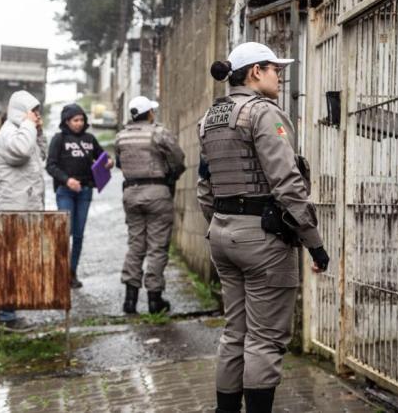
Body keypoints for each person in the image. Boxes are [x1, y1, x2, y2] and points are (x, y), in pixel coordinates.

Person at [197, 42, 330, 413]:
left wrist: (222, 226)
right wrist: (315, 244)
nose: (279, 74)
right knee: (265, 339)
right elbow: (287, 182)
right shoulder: (263, 113)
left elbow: (204, 187)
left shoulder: (211, 118)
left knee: (234, 334)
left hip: (222, 234)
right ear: (255, 71)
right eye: (274, 68)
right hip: (262, 240)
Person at [114, 96, 186, 315]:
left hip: (130, 193)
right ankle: (154, 300)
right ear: (150, 114)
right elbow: (178, 158)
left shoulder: (121, 137)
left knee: (136, 244)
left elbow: (119, 163)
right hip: (157, 192)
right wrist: (170, 176)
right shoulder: (158, 133)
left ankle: (130, 300)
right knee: (157, 247)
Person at [0, 90, 46, 324]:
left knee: (17, 261)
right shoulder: (9, 133)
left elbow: (40, 154)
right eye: (32, 112)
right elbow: (22, 151)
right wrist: (29, 126)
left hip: (24, 205)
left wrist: (38, 131)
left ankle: (5, 311)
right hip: (14, 207)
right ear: (21, 112)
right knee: (11, 263)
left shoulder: (22, 131)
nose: (35, 116)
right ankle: (4, 314)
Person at [46, 103, 113, 289]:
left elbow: (103, 157)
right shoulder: (59, 139)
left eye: (81, 120)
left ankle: (72, 272)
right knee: (64, 233)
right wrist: (67, 181)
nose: (79, 123)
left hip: (85, 191)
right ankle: (60, 271)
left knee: (79, 234)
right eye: (75, 120)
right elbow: (50, 166)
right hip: (65, 191)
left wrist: (109, 162)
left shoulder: (90, 139)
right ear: (67, 121)